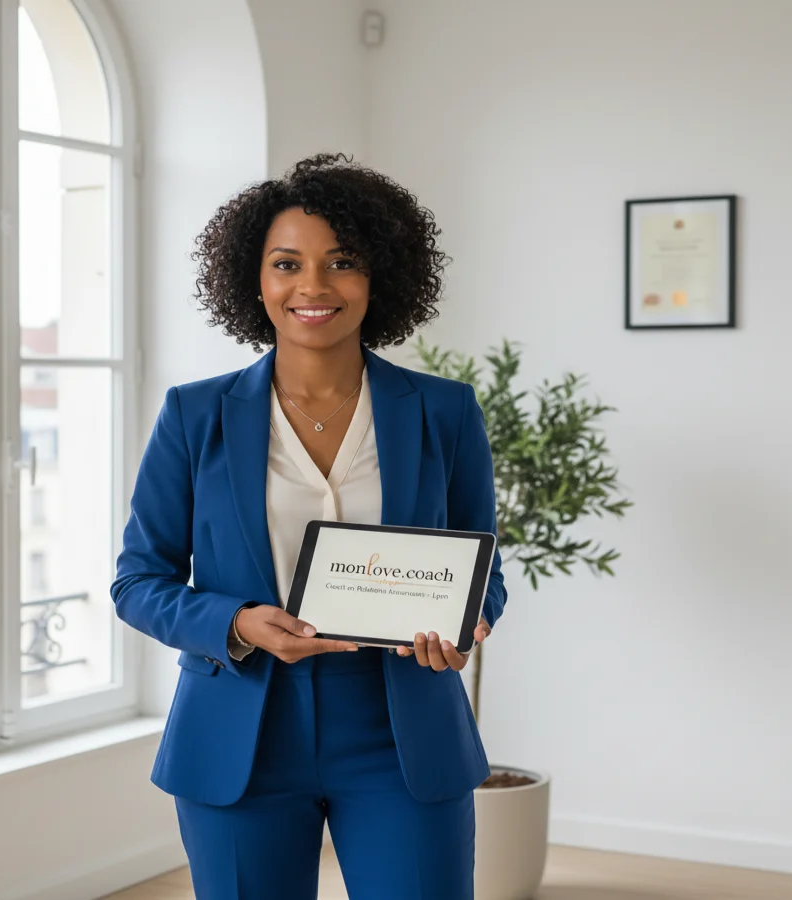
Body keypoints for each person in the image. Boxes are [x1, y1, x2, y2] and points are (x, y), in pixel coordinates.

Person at [111, 153, 507, 900]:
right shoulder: (194, 415)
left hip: (402, 730)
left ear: (380, 276)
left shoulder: (444, 412)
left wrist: (467, 622)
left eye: (342, 262)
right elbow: (138, 582)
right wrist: (236, 622)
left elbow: (482, 570)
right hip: (241, 729)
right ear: (254, 279)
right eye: (287, 264)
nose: (314, 286)